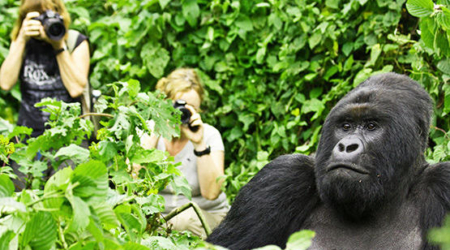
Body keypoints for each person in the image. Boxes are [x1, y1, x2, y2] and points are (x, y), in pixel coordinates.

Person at [139, 68, 229, 238]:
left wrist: (199, 144)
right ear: (165, 103)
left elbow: (212, 193)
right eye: (178, 106)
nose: (182, 113)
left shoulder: (209, 135)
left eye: (191, 108)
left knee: (184, 221)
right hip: (159, 219)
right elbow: (132, 180)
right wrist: (157, 131)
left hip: (204, 217)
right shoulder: (147, 132)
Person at [0, 0, 90, 138]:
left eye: (48, 16)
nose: (44, 23)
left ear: (60, 15)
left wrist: (58, 45)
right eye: (38, 18)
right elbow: (5, 83)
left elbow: (76, 88)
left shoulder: (75, 40)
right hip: (28, 135)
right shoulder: (22, 42)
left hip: (69, 136)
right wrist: (21, 39)